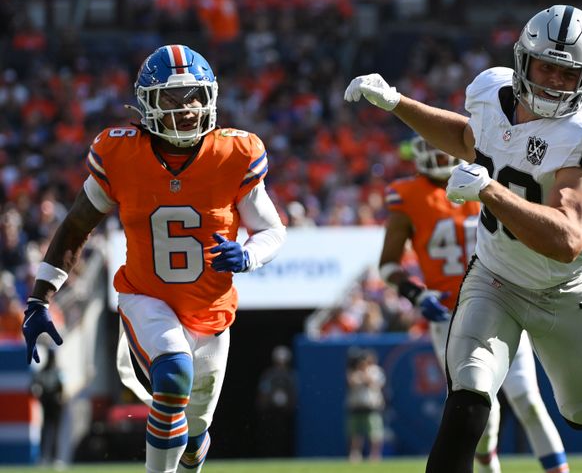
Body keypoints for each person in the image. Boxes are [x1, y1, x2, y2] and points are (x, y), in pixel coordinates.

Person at [345, 4, 582, 473]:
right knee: (469, 397)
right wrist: (397, 103)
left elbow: (569, 238)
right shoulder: (492, 91)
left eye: (566, 74)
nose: (552, 82)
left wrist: (489, 190)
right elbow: (470, 138)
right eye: (544, 67)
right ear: (522, 60)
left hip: (562, 290)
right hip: (494, 278)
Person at [22, 44, 287, 473]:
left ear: (211, 98)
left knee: (194, 434)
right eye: (173, 98)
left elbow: (272, 230)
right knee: (173, 375)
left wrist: (249, 255)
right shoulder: (120, 153)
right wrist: (39, 297)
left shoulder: (234, 153)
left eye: (195, 96)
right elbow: (76, 225)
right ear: (147, 102)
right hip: (147, 297)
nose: (187, 109)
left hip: (211, 312)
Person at [379, 136, 569, 472]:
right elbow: (389, 265)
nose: (440, 153)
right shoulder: (407, 195)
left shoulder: (487, 178)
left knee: (527, 398)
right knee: (482, 406)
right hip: (451, 317)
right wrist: (415, 293)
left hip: (504, 300)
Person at [254, 345, 297, 457]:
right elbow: (263, 392)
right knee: (270, 438)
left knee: (284, 438)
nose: (281, 364)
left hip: (285, 414)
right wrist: (263, 406)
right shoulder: (269, 375)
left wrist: (290, 407)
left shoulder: (291, 376)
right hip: (270, 412)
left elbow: (294, 394)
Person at [345, 348, 386, 463]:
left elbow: (372, 382)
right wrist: (359, 373)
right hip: (356, 407)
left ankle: (375, 456)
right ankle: (355, 455)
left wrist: (364, 373)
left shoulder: (375, 371)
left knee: (375, 433)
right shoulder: (354, 372)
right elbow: (351, 382)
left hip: (372, 407)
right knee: (356, 434)